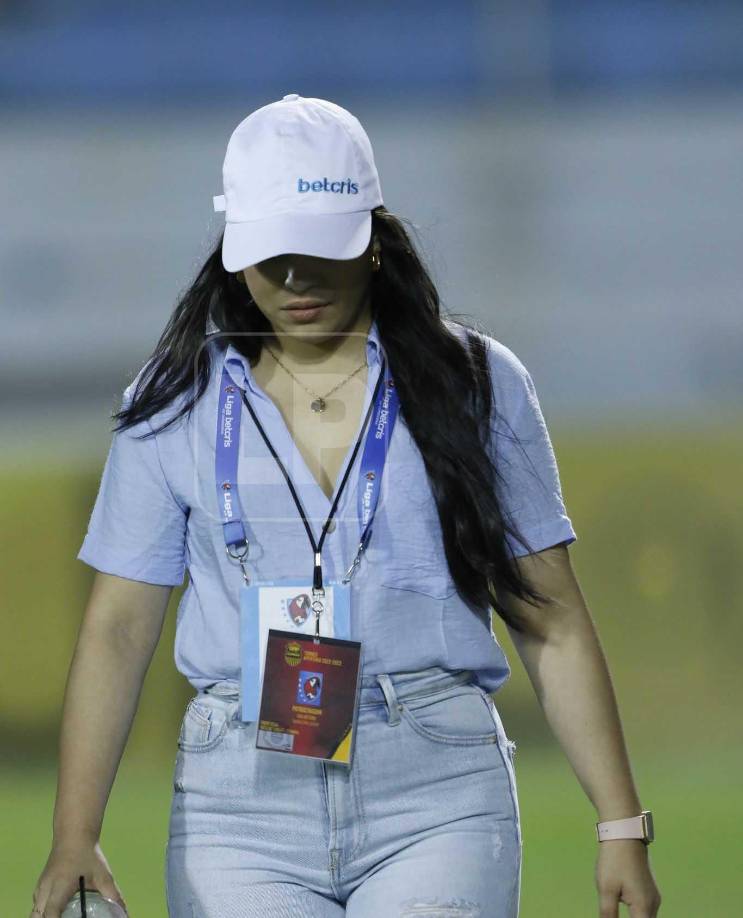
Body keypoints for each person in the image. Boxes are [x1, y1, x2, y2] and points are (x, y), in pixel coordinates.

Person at [31, 94, 662, 918]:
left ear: (372, 239)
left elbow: (551, 615)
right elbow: (117, 628)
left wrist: (620, 824)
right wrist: (75, 832)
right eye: (271, 252)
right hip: (237, 809)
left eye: (320, 248)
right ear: (232, 250)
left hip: (439, 795)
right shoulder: (173, 399)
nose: (295, 277)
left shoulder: (476, 381)